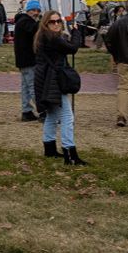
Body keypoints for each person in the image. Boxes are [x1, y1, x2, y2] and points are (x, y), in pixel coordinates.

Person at [33, 10, 86, 165]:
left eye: (58, 21)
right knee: (67, 117)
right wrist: (76, 31)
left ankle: (49, 149)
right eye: (52, 22)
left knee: (52, 115)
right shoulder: (52, 38)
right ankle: (70, 154)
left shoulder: (43, 36)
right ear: (45, 24)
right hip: (52, 81)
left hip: (46, 79)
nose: (56, 24)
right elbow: (72, 48)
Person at [13, 0, 42, 121]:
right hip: (28, 59)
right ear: (28, 10)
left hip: (24, 59)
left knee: (26, 86)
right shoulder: (25, 21)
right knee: (33, 86)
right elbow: (34, 29)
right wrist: (44, 21)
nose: (36, 13)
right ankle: (43, 111)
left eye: (37, 10)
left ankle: (26, 111)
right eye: (33, 10)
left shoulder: (23, 21)